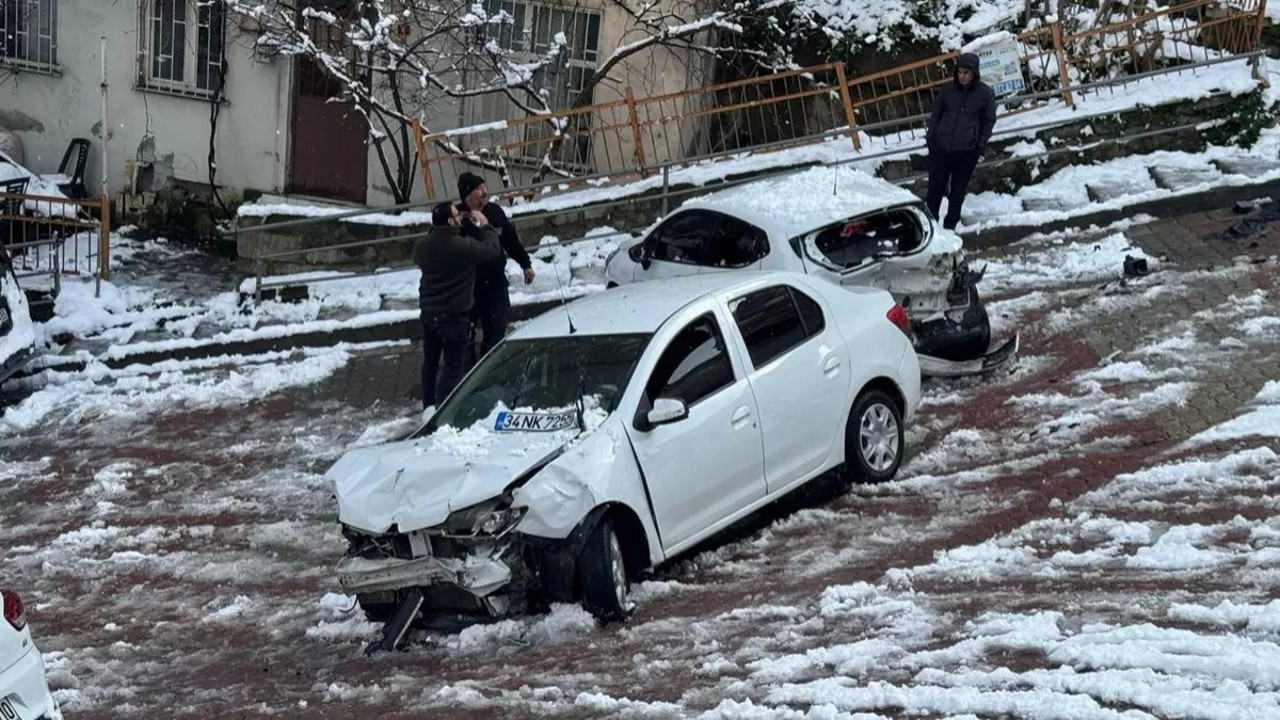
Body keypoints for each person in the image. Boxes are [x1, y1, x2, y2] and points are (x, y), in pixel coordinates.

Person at [414, 201, 502, 411]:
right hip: (454, 316)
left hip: (429, 314)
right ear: (449, 221)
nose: (460, 218)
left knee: (430, 363)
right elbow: (492, 249)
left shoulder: (422, 246)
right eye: (456, 215)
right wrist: (485, 225)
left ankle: (428, 405)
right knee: (452, 367)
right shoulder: (461, 247)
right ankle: (444, 408)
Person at [456, 172, 535, 361]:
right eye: (479, 188)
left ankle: (489, 363)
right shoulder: (458, 218)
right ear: (468, 194)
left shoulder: (495, 212)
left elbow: (510, 241)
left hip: (496, 283)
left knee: (497, 329)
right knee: (465, 334)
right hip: (469, 287)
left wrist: (526, 264)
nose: (484, 191)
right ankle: (468, 371)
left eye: (484, 187)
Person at [924, 52, 997, 231]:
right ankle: (931, 227)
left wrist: (978, 147)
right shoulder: (947, 91)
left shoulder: (985, 94)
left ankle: (950, 227)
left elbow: (988, 122)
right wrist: (931, 139)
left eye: (966, 73)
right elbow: (936, 115)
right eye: (960, 72)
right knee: (934, 191)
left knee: (957, 193)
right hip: (941, 149)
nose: (962, 76)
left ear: (974, 73)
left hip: (966, 152)